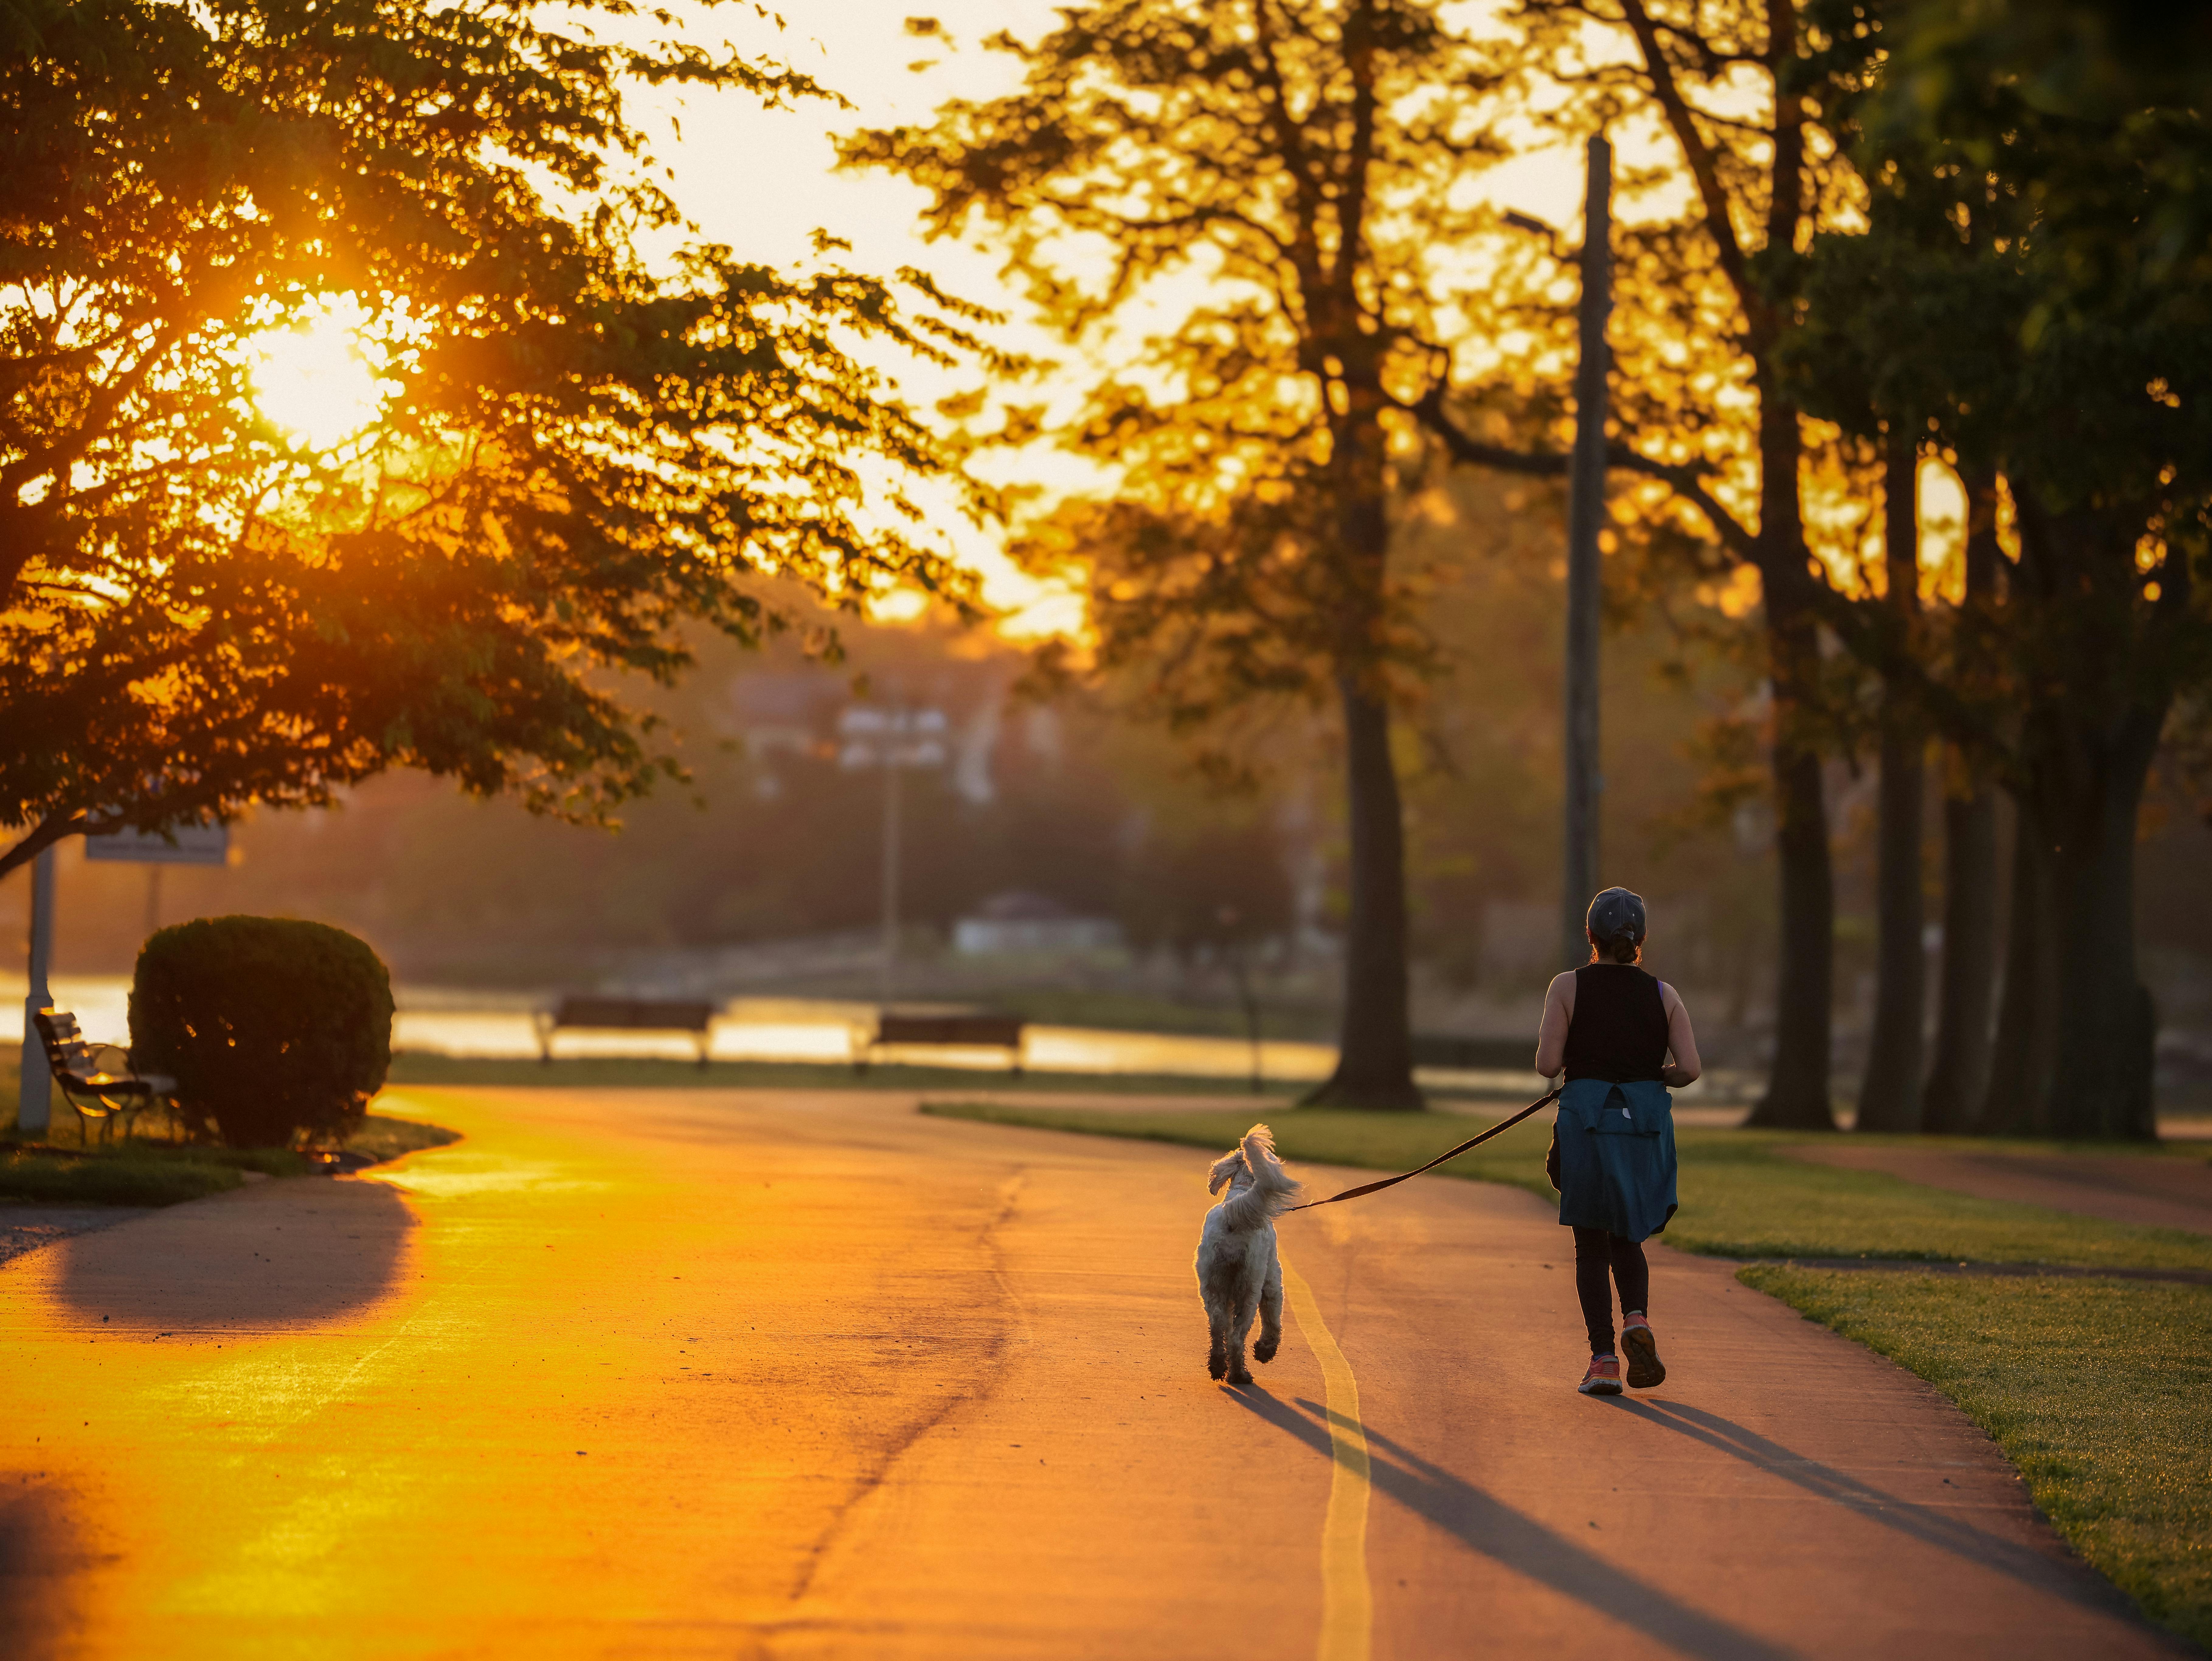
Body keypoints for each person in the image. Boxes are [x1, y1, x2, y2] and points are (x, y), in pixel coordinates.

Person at [1534, 886, 1701, 1397]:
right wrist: (1654, 1076)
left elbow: (1547, 1065)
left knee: (1590, 1241)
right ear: (1641, 939)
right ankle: (1636, 1318)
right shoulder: (1664, 995)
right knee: (1629, 1234)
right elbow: (1690, 1069)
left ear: (1591, 936)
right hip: (1641, 1129)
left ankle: (1604, 1359)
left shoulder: (1568, 986)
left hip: (1587, 1124)